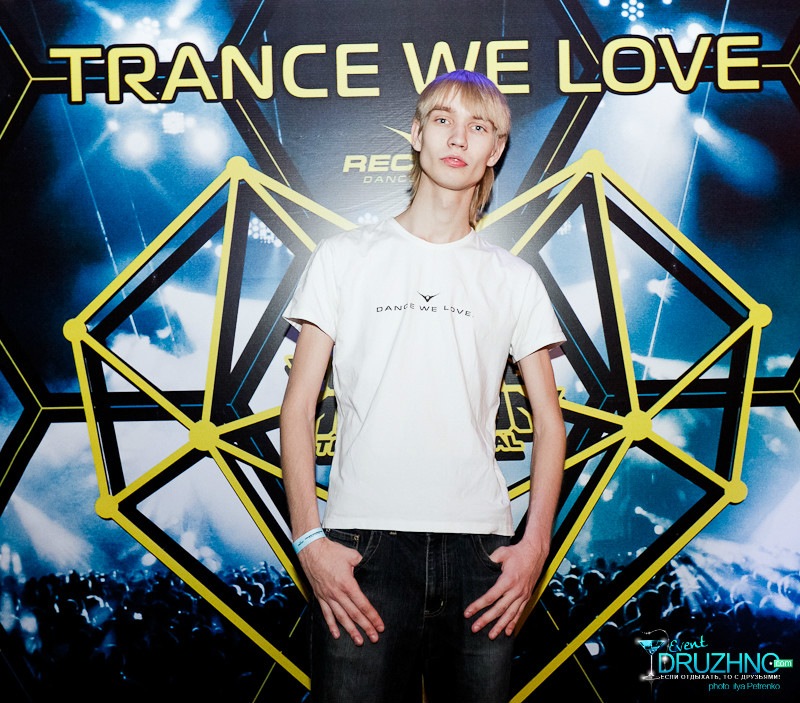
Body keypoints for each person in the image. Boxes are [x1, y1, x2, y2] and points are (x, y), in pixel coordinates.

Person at [280, 69, 566, 703]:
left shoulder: (513, 279)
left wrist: (535, 546)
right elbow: (296, 411)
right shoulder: (343, 258)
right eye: (443, 120)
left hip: (482, 558)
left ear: (495, 149)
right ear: (415, 134)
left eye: (478, 126)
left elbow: (551, 425)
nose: (458, 138)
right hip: (362, 549)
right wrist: (308, 541)